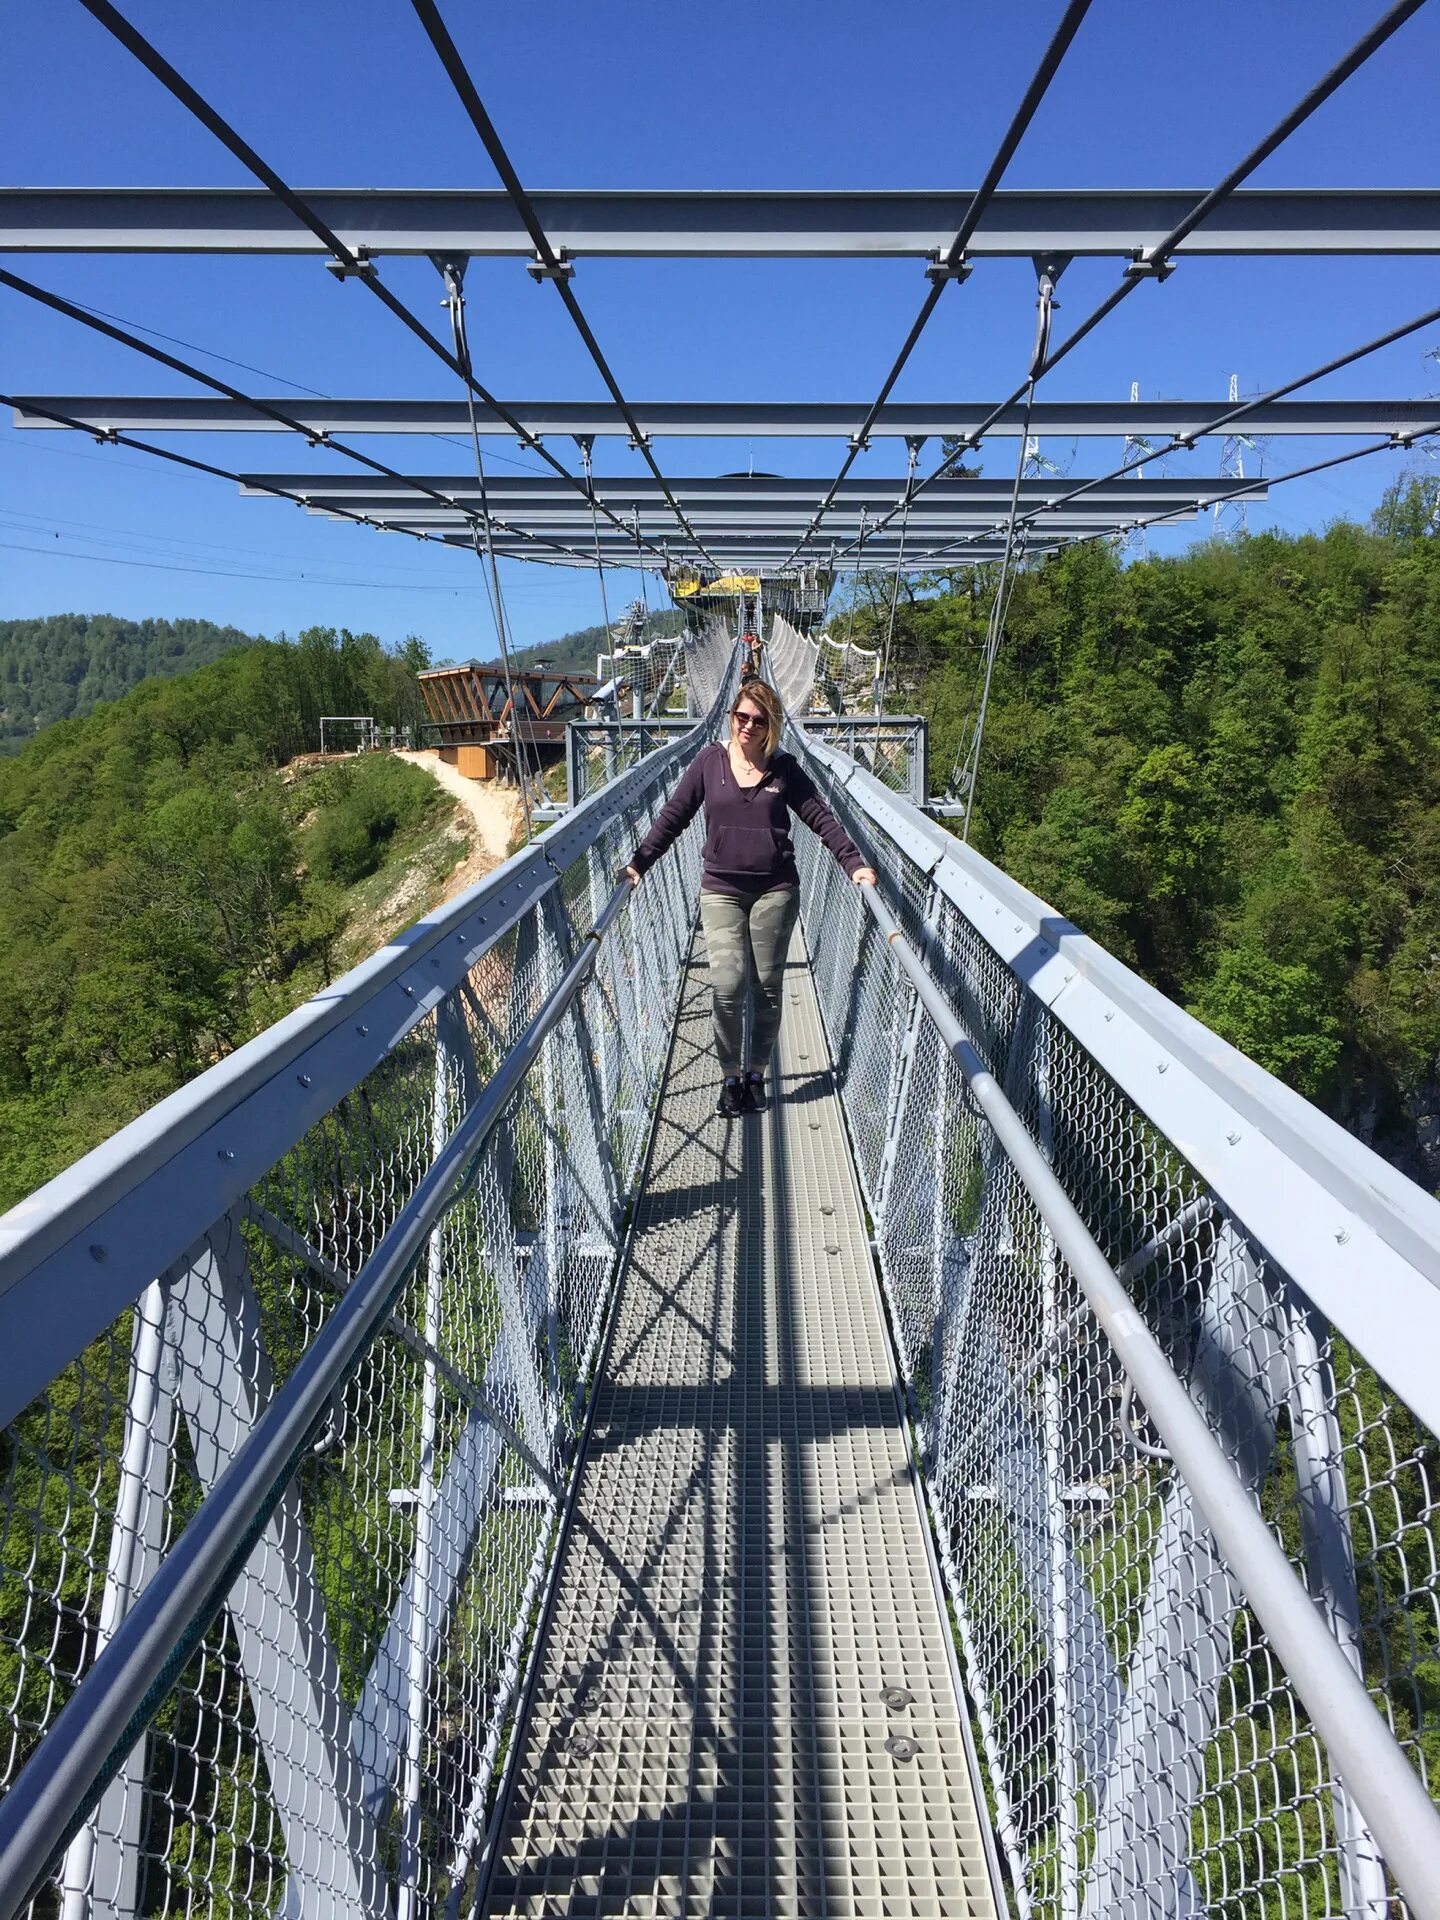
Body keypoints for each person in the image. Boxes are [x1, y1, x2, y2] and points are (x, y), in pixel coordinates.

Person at [625, 678, 877, 1117]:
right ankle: (729, 1077)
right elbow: (674, 815)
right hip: (721, 889)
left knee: (766, 988)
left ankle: (756, 1074)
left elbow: (820, 817)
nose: (748, 726)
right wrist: (639, 863)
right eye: (742, 717)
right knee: (726, 986)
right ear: (731, 717)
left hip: (775, 889)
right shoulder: (709, 762)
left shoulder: (784, 769)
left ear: (771, 726)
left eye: (759, 720)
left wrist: (853, 863)